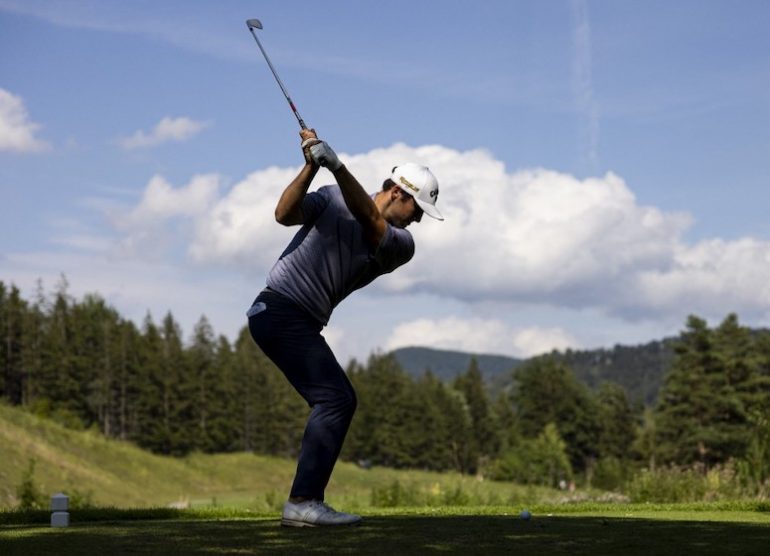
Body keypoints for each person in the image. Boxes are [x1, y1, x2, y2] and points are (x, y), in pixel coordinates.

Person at [247, 128, 443, 527]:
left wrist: (336, 166)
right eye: (418, 207)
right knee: (336, 399)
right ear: (397, 193)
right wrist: (310, 168)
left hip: (294, 319)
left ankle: (303, 501)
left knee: (336, 399)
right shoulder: (333, 198)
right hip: (279, 309)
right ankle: (303, 502)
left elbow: (370, 221)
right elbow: (283, 214)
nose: (420, 218)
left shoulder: (401, 245)